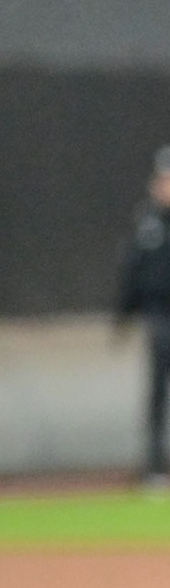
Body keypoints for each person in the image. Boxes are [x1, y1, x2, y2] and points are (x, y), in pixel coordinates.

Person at [117, 145, 170, 487]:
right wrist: (122, 314)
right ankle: (153, 467)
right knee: (157, 396)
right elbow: (132, 271)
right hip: (159, 317)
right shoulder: (147, 221)